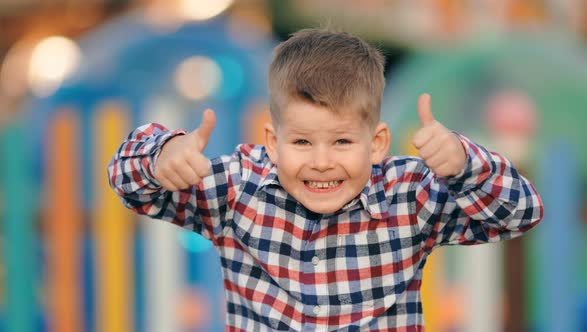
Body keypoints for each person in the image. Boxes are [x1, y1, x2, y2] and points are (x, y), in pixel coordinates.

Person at [107, 28, 543, 331]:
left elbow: (520, 214)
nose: (321, 162)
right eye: (301, 142)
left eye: (341, 142)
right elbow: (129, 185)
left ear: (376, 144)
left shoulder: (410, 194)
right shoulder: (237, 188)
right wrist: (160, 156)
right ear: (271, 141)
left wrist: (465, 162)